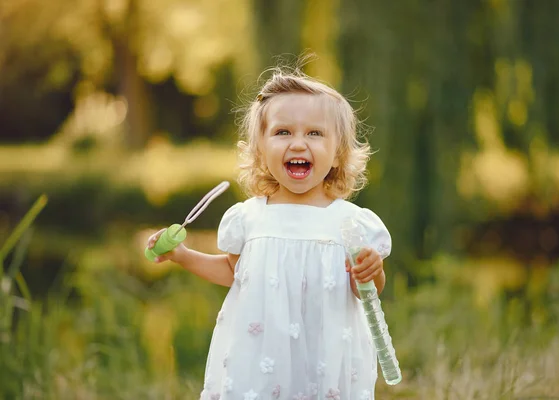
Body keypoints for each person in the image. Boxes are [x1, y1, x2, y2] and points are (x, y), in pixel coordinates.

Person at [147, 67, 392, 400]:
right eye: (283, 132)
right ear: (260, 148)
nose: (298, 143)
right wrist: (182, 255)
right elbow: (234, 272)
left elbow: (365, 291)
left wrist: (372, 272)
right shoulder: (250, 217)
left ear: (338, 152)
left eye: (315, 134)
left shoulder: (350, 222)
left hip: (325, 360)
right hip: (261, 358)